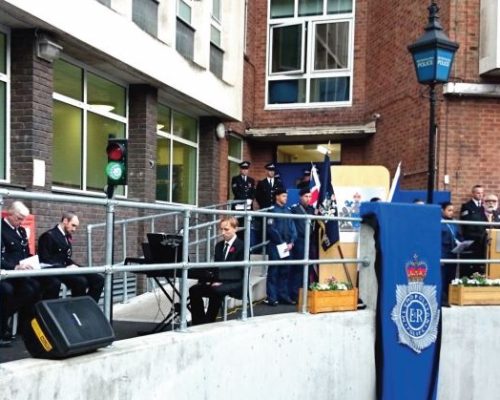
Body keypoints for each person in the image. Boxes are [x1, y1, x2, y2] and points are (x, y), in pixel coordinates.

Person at [0, 201, 54, 343]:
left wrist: (36, 262)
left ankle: (26, 325)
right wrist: (15, 267)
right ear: (9, 214)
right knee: (8, 291)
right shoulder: (1, 229)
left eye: (23, 218)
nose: (21, 221)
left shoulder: (22, 231)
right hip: (6, 273)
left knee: (38, 286)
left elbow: (25, 253)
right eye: (19, 218)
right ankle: (2, 324)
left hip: (21, 272)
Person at [38, 211, 104, 303]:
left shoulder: (66, 236)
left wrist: (75, 266)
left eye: (76, 226)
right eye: (73, 225)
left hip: (66, 267)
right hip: (56, 270)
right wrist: (65, 267)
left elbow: (66, 257)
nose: (74, 229)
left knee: (98, 279)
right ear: (65, 221)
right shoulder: (48, 236)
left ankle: (87, 308)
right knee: (81, 281)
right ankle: (78, 311)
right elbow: (45, 261)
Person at [189, 216, 244, 325]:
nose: (223, 233)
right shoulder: (219, 246)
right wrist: (206, 278)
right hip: (219, 280)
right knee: (194, 290)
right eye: (221, 229)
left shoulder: (242, 246)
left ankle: (209, 322)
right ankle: (199, 323)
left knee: (216, 290)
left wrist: (220, 280)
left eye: (226, 229)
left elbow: (239, 271)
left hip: (235, 281)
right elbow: (215, 267)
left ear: (235, 229)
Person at [265, 187, 297, 306]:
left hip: (287, 246)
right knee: (273, 271)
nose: (285, 198)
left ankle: (283, 296)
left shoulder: (288, 211)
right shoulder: (272, 211)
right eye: (283, 196)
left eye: (286, 196)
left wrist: (292, 241)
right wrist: (282, 243)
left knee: (285, 271)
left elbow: (293, 228)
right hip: (276, 246)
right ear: (277, 196)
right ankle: (272, 298)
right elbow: (271, 229)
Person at [290, 188, 316, 301]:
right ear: (300, 197)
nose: (308, 199)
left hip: (310, 240)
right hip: (299, 241)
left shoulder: (312, 209)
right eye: (306, 196)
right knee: (298, 268)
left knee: (309, 267)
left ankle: (306, 292)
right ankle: (296, 294)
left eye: (310, 197)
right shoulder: (294, 209)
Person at [460, 184, 486, 275]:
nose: (480, 195)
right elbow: (466, 224)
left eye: (482, 193)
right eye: (478, 193)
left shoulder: (484, 207)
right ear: (473, 193)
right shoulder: (467, 206)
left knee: (480, 265)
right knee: (470, 265)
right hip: (471, 240)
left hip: (482, 241)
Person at [440, 201, 462, 305]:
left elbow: (458, 236)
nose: (451, 213)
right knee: (442, 278)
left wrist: (462, 243)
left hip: (453, 254)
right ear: (442, 210)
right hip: (444, 254)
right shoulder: (439, 222)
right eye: (449, 210)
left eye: (452, 210)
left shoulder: (454, 223)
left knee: (451, 277)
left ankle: (449, 298)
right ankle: (441, 299)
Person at [231, 161, 255, 240]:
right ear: (240, 170)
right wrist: (244, 200)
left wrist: (251, 199)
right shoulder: (235, 179)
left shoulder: (251, 180)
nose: (245, 171)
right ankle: (237, 241)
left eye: (246, 169)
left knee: (247, 225)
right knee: (238, 225)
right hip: (239, 206)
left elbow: (252, 192)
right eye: (243, 169)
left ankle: (247, 243)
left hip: (248, 206)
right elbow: (235, 191)